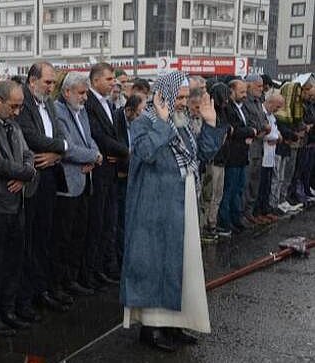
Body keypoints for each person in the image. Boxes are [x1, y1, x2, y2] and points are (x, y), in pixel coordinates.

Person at [121, 71, 224, 352]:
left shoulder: (183, 124)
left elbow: (201, 154)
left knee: (183, 265)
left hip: (182, 204)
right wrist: (163, 123)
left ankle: (174, 325)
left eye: (183, 97)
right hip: (154, 208)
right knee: (155, 263)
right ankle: (152, 329)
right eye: (177, 97)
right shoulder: (145, 122)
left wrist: (212, 124)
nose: (181, 103)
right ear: (161, 96)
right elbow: (145, 153)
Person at [0, 80, 36, 337]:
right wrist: (25, 172)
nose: (17, 112)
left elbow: (28, 156)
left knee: (14, 260)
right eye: (13, 106)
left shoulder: (13, 125)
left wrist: (26, 173)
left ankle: (8, 309)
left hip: (17, 201)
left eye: (20, 107)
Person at [14, 62, 69, 319]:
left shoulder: (48, 103)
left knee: (45, 238)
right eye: (47, 82)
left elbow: (54, 132)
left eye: (53, 82)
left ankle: (41, 290)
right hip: (31, 179)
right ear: (32, 80)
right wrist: (63, 146)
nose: (51, 87)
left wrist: (56, 154)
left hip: (49, 178)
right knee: (28, 242)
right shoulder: (22, 102)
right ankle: (23, 299)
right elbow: (30, 137)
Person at [51, 72, 102, 302]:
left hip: (84, 181)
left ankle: (71, 279)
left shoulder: (81, 113)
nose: (84, 98)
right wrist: (93, 156)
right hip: (67, 184)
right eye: (81, 93)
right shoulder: (58, 112)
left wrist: (94, 155)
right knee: (62, 238)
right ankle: (58, 283)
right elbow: (67, 148)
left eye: (86, 93)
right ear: (67, 92)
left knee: (78, 235)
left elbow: (89, 139)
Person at [84, 62, 127, 289]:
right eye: (109, 79)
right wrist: (125, 152)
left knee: (109, 222)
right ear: (96, 80)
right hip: (98, 172)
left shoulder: (109, 105)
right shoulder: (88, 103)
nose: (114, 83)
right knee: (97, 224)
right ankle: (91, 272)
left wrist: (119, 155)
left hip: (111, 171)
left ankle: (104, 266)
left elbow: (117, 135)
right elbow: (98, 136)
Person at [217, 80, 257, 235]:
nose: (244, 95)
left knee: (239, 188)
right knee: (229, 190)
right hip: (232, 156)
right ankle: (226, 222)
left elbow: (241, 128)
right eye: (241, 92)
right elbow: (233, 130)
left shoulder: (241, 108)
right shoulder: (228, 108)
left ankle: (237, 219)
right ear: (231, 91)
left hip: (242, 155)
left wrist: (248, 131)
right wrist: (250, 131)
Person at [114, 94, 146, 265]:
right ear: (128, 111)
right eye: (140, 112)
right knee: (120, 222)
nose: (143, 116)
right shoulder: (116, 121)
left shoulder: (142, 125)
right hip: (120, 177)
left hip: (135, 178)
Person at [202, 83, 233, 238]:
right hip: (213, 159)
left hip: (222, 159)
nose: (227, 100)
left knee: (218, 193)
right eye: (224, 96)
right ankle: (206, 225)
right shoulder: (211, 111)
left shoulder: (224, 111)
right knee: (210, 194)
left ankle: (212, 222)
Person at [242, 74, 272, 225]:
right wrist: (262, 128)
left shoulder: (259, 101)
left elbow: (264, 119)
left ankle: (250, 210)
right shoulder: (245, 102)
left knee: (255, 180)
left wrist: (265, 127)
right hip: (250, 145)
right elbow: (249, 122)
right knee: (247, 181)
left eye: (261, 86)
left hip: (259, 144)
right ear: (249, 85)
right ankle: (243, 213)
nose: (261, 89)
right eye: (258, 86)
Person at [254, 95, 284, 220]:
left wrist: (277, 137)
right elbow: (264, 134)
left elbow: (276, 132)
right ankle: (257, 211)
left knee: (267, 184)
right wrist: (276, 137)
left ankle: (265, 210)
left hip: (271, 155)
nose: (278, 109)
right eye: (277, 106)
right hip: (262, 154)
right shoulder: (261, 113)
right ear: (271, 102)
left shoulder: (272, 116)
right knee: (259, 186)